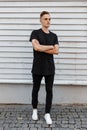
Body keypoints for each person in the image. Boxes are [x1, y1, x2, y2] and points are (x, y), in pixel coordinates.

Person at [29, 11, 59, 125]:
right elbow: (36, 47)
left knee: (49, 91)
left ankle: (47, 113)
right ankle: (35, 110)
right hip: (37, 67)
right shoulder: (35, 33)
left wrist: (43, 47)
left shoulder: (54, 36)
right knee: (35, 89)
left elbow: (56, 51)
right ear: (40, 20)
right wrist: (50, 46)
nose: (48, 21)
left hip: (50, 68)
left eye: (49, 19)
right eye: (45, 19)